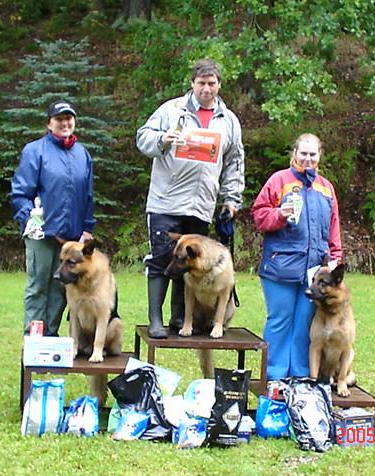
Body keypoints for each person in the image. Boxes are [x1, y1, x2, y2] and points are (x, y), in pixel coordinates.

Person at [136, 59, 245, 339]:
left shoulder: (229, 120)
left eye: (212, 83)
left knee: (190, 263)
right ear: (192, 83)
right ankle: (155, 320)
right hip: (166, 200)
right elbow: (142, 138)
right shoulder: (171, 110)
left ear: (219, 85)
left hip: (201, 205)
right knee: (161, 257)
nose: (206, 89)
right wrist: (163, 139)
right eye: (201, 83)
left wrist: (231, 199)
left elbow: (234, 162)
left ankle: (178, 317)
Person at [251, 133, 342, 380]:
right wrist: (279, 214)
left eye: (313, 154)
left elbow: (333, 225)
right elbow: (259, 216)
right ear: (295, 153)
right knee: (280, 320)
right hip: (280, 267)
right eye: (303, 153)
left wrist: (335, 256)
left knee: (305, 324)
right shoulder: (279, 180)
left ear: (319, 156)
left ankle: (301, 376)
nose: (308, 158)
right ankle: (274, 377)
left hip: (315, 271)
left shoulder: (326, 187)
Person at [11, 100, 96, 336]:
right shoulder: (34, 151)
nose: (64, 123)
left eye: (68, 118)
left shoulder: (82, 155)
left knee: (62, 286)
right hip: (41, 235)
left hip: (71, 237)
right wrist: (29, 219)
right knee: (38, 285)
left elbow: (88, 196)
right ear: (49, 124)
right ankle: (33, 339)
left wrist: (87, 228)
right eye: (59, 119)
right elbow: (21, 192)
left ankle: (50, 336)